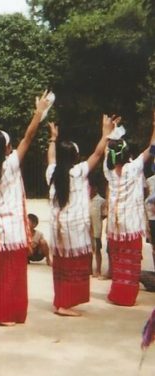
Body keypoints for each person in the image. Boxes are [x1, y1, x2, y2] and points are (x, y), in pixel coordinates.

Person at [0, 91, 53, 326]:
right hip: (14, 231)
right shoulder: (11, 165)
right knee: (13, 274)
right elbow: (29, 136)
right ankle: (4, 314)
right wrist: (38, 113)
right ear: (7, 148)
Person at [46, 117, 112, 316]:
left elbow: (50, 159)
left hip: (58, 229)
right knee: (73, 265)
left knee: (61, 264)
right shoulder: (78, 172)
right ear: (74, 157)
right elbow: (98, 153)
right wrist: (105, 133)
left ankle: (61, 301)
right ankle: (65, 305)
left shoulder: (53, 173)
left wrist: (52, 139)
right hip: (74, 229)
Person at [104, 111, 155, 306]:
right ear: (127, 154)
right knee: (130, 262)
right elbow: (152, 149)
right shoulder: (133, 169)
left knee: (118, 262)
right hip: (131, 225)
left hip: (115, 226)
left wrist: (109, 132)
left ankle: (117, 293)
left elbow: (107, 152)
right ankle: (127, 296)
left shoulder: (108, 172)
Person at [89, 178, 107, 278]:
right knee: (88, 250)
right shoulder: (85, 200)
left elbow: (104, 214)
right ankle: (89, 269)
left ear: (95, 188)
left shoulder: (101, 201)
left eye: (90, 188)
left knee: (97, 250)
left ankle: (98, 270)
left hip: (96, 230)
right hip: (87, 230)